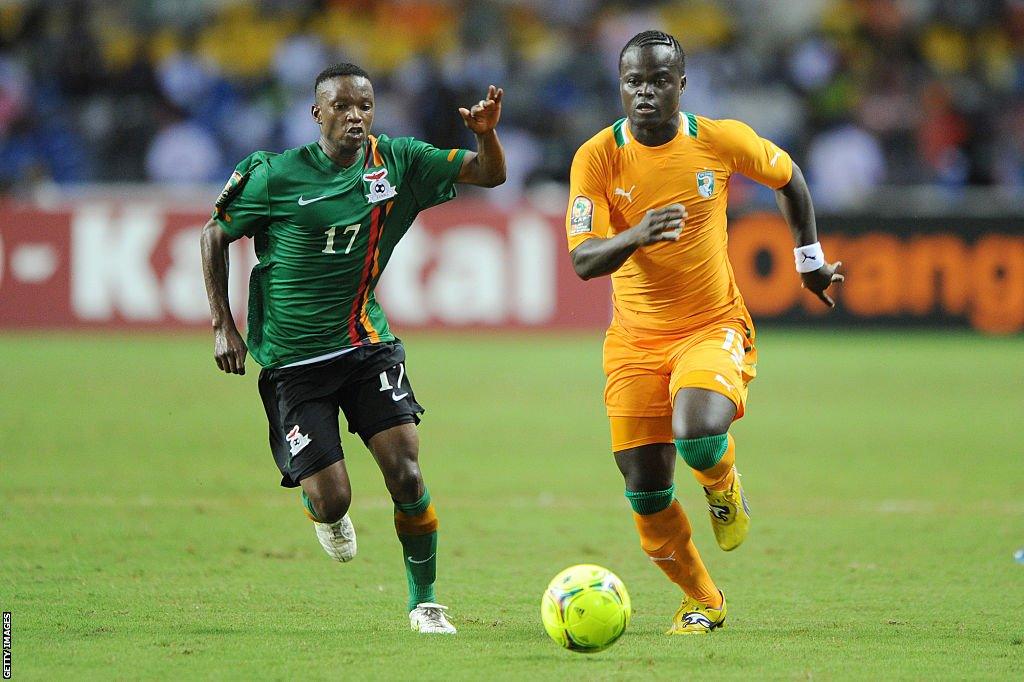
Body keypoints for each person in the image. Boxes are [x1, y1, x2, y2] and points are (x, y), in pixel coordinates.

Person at [200, 63, 505, 634]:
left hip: (366, 346)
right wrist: (224, 324)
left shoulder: (399, 162)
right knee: (333, 498)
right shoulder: (273, 175)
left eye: (364, 105)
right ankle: (324, 512)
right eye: (342, 106)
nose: (355, 116)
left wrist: (485, 133)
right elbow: (213, 233)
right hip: (294, 363)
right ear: (317, 113)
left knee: (407, 473)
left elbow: (488, 175)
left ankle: (425, 603)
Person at [565, 31, 842, 635]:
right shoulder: (597, 157)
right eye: (633, 81)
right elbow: (584, 260)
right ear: (621, 85)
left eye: (659, 80)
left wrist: (809, 261)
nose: (645, 92)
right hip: (634, 341)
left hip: (711, 324)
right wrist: (636, 234)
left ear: (681, 84)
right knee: (644, 491)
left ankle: (723, 486)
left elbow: (789, 178)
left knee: (696, 432)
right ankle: (704, 602)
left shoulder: (720, 140)